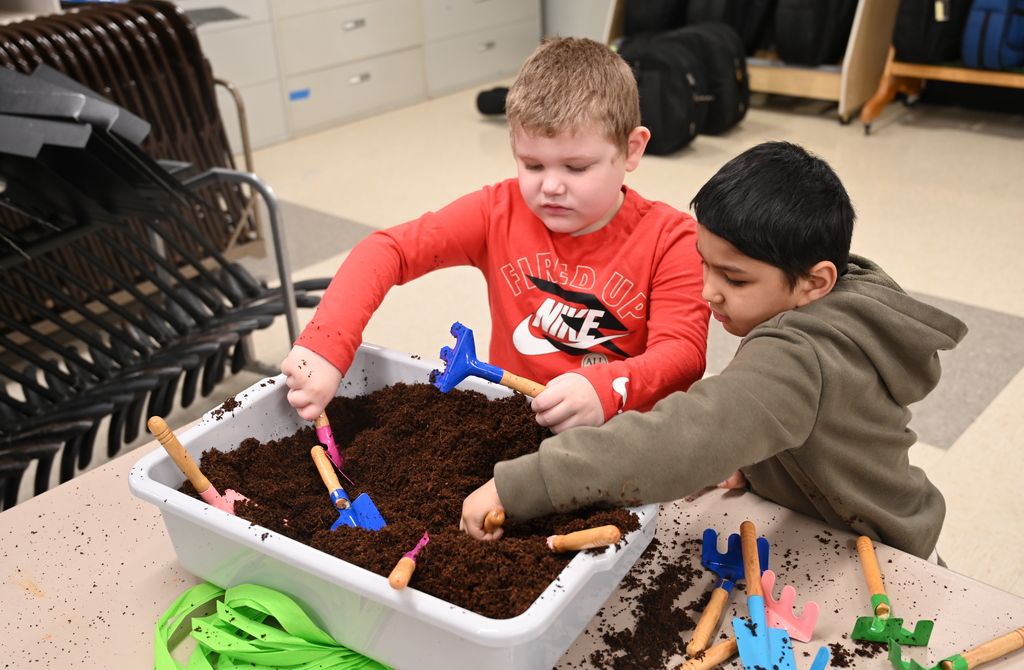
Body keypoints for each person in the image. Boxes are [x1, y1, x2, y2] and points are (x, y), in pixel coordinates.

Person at [461, 141, 968, 561]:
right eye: (705, 264)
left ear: (816, 281)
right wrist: (764, 461)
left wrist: (523, 485)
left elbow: (683, 438)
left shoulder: (800, 355)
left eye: (735, 277)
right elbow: (801, 417)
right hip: (835, 522)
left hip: (879, 554)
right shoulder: (842, 300)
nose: (709, 292)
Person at [281, 37, 709, 433]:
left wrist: (607, 388)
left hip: (618, 433)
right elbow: (387, 250)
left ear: (632, 149)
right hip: (512, 422)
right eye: (532, 165)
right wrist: (327, 345)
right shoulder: (497, 210)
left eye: (576, 167)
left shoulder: (672, 239)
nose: (551, 186)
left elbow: (682, 354)